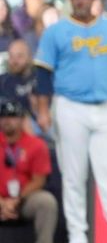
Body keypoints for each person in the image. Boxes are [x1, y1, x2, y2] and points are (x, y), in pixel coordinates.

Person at [32, 0, 107, 243]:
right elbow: (43, 74)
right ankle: (77, 236)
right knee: (73, 177)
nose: (80, 0)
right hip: (70, 106)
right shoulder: (56, 31)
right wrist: (44, 111)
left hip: (105, 107)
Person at [0, 100, 58, 243]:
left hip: (24, 199)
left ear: (22, 120)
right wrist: (2, 203)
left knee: (46, 202)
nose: (7, 121)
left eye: (13, 116)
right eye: (3, 116)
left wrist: (16, 200)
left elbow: (39, 180)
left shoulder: (36, 145)